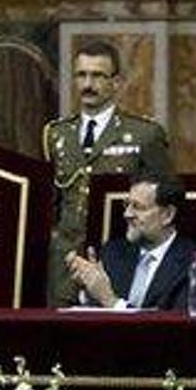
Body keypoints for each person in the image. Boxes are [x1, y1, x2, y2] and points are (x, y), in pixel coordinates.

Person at [44, 40, 171, 307]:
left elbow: (164, 202)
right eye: (81, 75)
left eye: (98, 75)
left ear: (116, 82)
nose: (88, 84)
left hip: (121, 263)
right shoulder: (57, 134)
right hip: (64, 269)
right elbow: (49, 206)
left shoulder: (145, 135)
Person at [65, 172, 196, 310]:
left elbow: (177, 329)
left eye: (138, 207)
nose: (127, 214)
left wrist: (111, 301)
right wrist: (88, 289)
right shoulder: (112, 253)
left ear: (168, 215)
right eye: (127, 205)